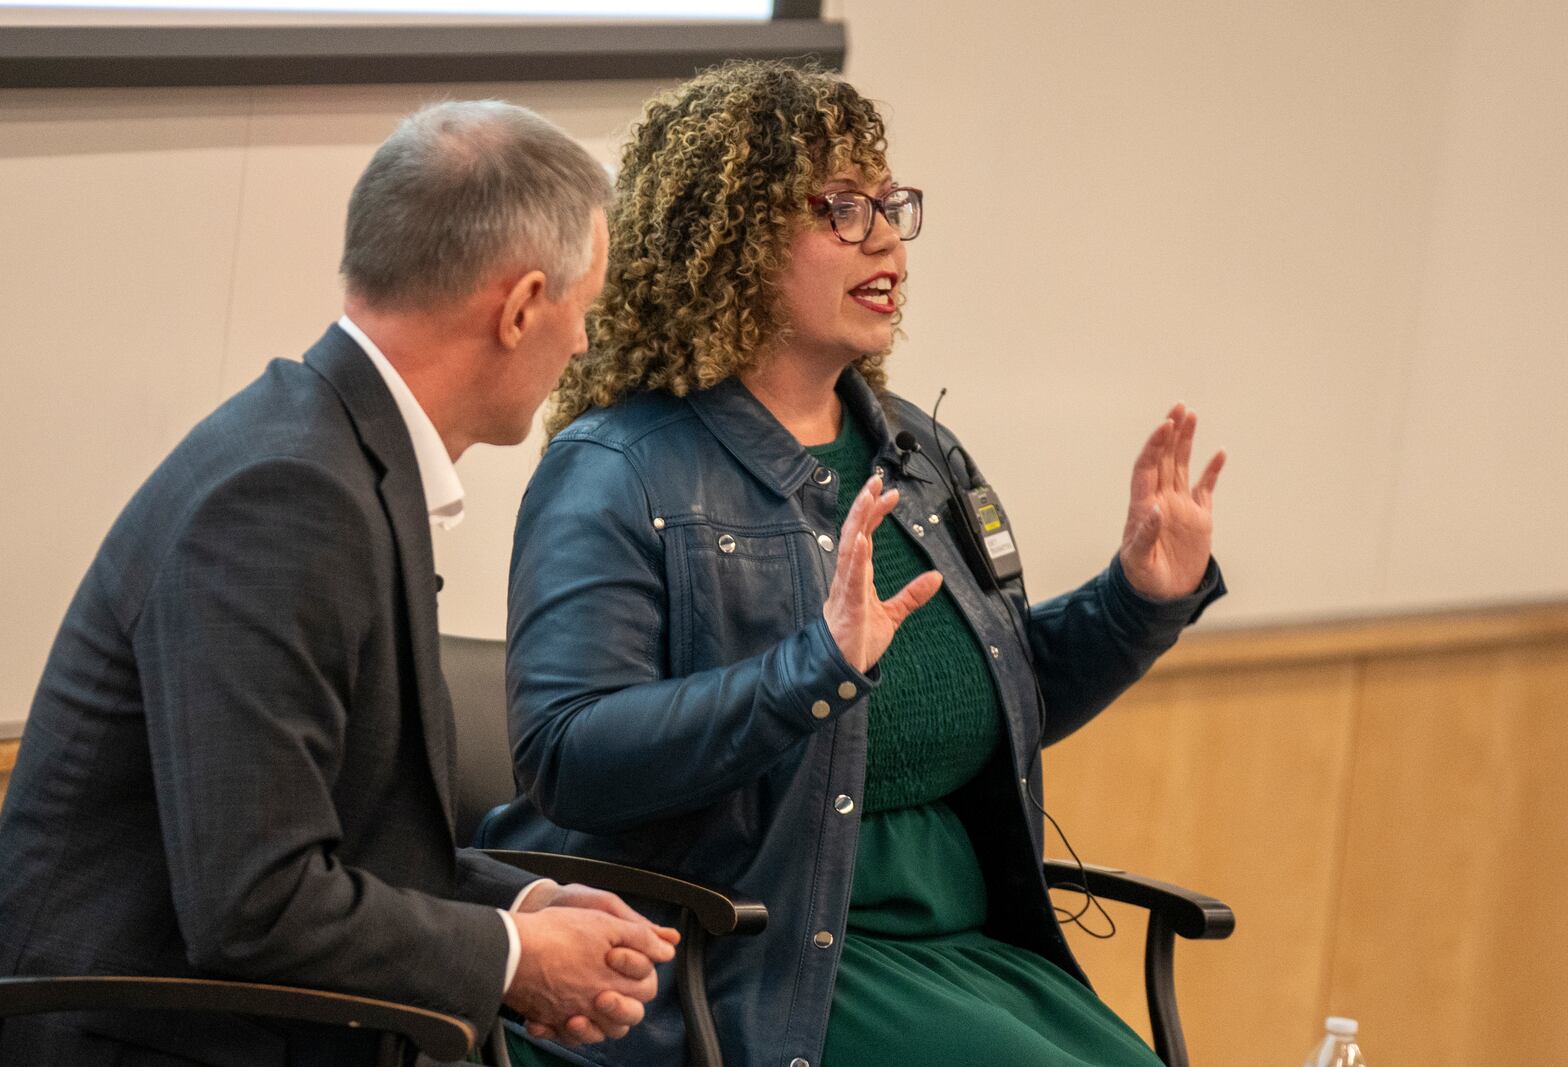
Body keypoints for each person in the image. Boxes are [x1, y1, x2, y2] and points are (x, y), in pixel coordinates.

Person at [479, 61, 1229, 1067]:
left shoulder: (916, 453)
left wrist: (1139, 598)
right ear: (729, 241)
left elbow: (992, 700)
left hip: (966, 944)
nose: (884, 238)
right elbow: (570, 754)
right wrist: (811, 668)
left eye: (888, 205)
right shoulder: (617, 467)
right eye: (839, 208)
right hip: (766, 959)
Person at [0, 100, 680, 1067]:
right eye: (582, 310)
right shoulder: (286, 497)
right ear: (519, 307)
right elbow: (254, 902)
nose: (585, 346)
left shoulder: (326, 447)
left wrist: (518, 904)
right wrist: (512, 957)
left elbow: (322, 837)